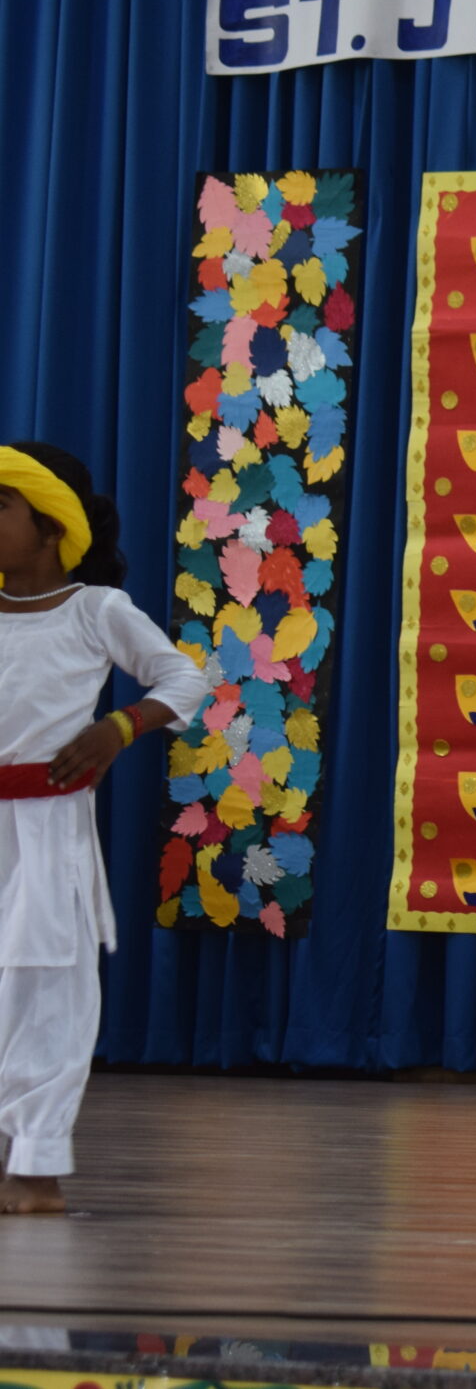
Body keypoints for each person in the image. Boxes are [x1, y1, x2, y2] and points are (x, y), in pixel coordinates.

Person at [0, 442, 210, 1215]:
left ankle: (36, 1166)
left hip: (47, 824)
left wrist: (121, 726)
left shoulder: (96, 610)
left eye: (0, 506)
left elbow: (185, 676)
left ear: (53, 525)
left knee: (46, 986)